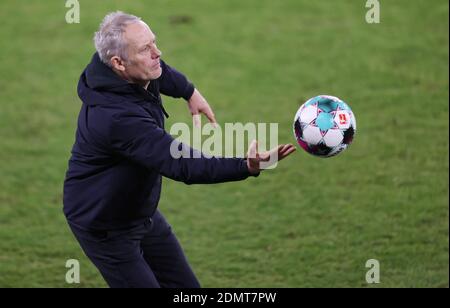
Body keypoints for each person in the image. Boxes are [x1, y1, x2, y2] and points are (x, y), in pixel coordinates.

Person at [63, 11, 296, 288]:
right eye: (146, 48)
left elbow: (159, 70)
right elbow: (183, 164)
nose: (157, 52)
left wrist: (188, 91)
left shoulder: (121, 70)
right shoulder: (118, 119)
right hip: (105, 224)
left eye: (154, 42)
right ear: (118, 63)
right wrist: (245, 165)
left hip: (140, 212)